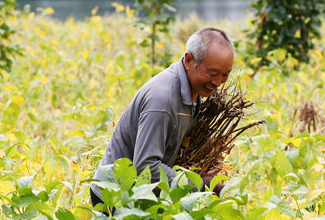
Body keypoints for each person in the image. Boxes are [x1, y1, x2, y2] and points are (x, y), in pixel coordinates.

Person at [90, 27, 234, 206]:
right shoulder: (162, 101)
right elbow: (146, 166)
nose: (218, 82)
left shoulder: (194, 90)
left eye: (225, 75)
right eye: (212, 74)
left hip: (143, 192)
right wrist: (198, 185)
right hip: (114, 196)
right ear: (188, 60)